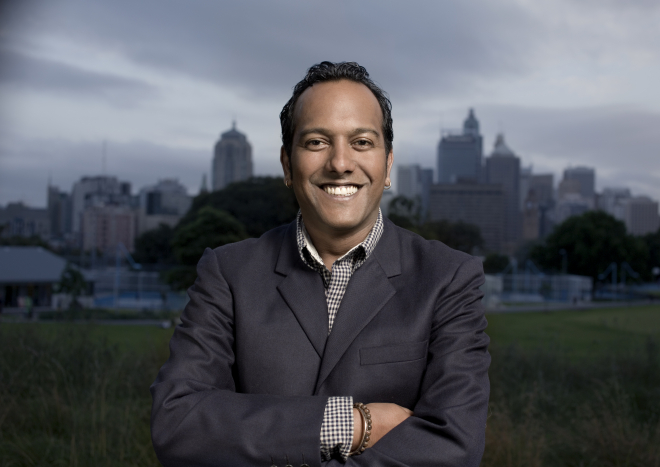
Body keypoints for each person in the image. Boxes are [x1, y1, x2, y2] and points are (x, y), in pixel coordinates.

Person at [151, 61, 490, 467]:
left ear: (387, 164)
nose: (340, 163)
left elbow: (454, 446)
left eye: (362, 142)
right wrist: (350, 424)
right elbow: (178, 422)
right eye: (316, 142)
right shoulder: (228, 273)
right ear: (287, 165)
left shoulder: (448, 278)